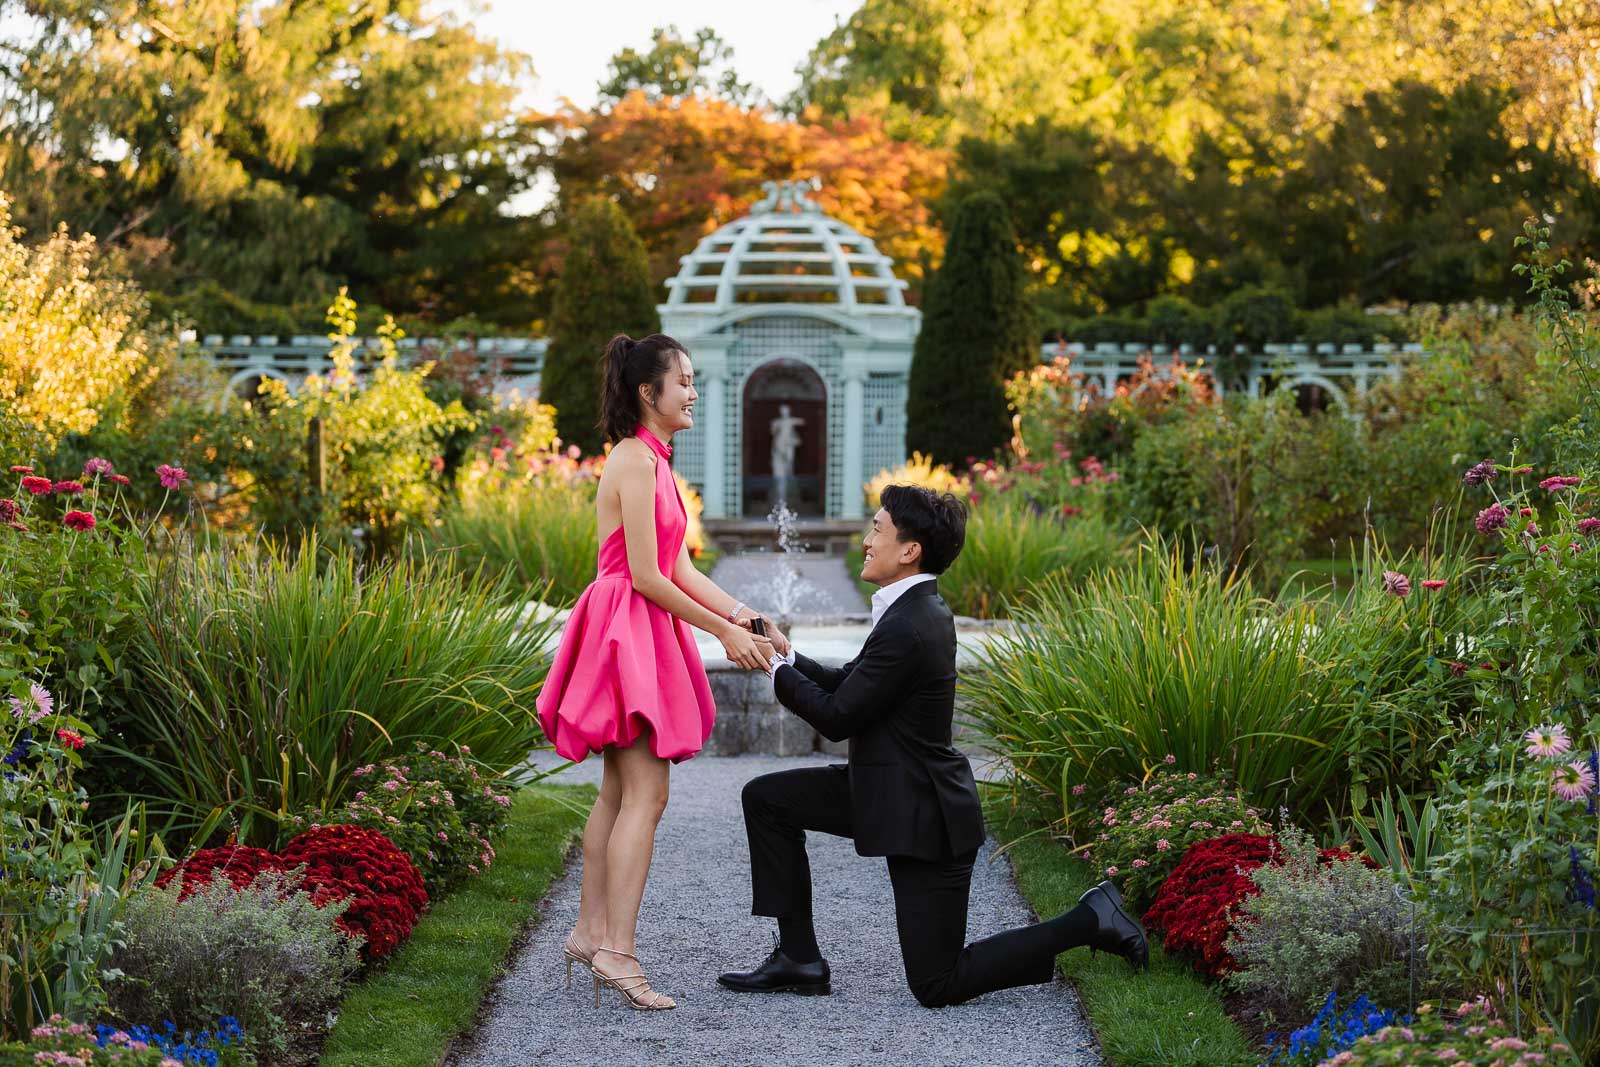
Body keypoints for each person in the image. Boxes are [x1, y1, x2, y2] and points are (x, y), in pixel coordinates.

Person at [718, 484, 1147, 1007]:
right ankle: (799, 958)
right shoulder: (911, 611)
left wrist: (773, 667)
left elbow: (837, 718)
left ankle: (1089, 919)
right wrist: (789, 652)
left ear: (909, 550)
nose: (867, 540)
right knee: (768, 800)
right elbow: (851, 681)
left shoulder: (912, 624)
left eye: (876, 529)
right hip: (884, 788)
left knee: (937, 982)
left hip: (926, 815)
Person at [536, 332, 791, 1011]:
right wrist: (721, 633)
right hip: (627, 628)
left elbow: (676, 565)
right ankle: (618, 950)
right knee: (645, 794)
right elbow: (646, 574)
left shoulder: (651, 459)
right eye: (684, 381)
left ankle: (591, 933)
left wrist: (747, 614)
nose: (694, 391)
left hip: (631, 625)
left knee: (620, 792)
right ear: (648, 393)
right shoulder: (635, 461)